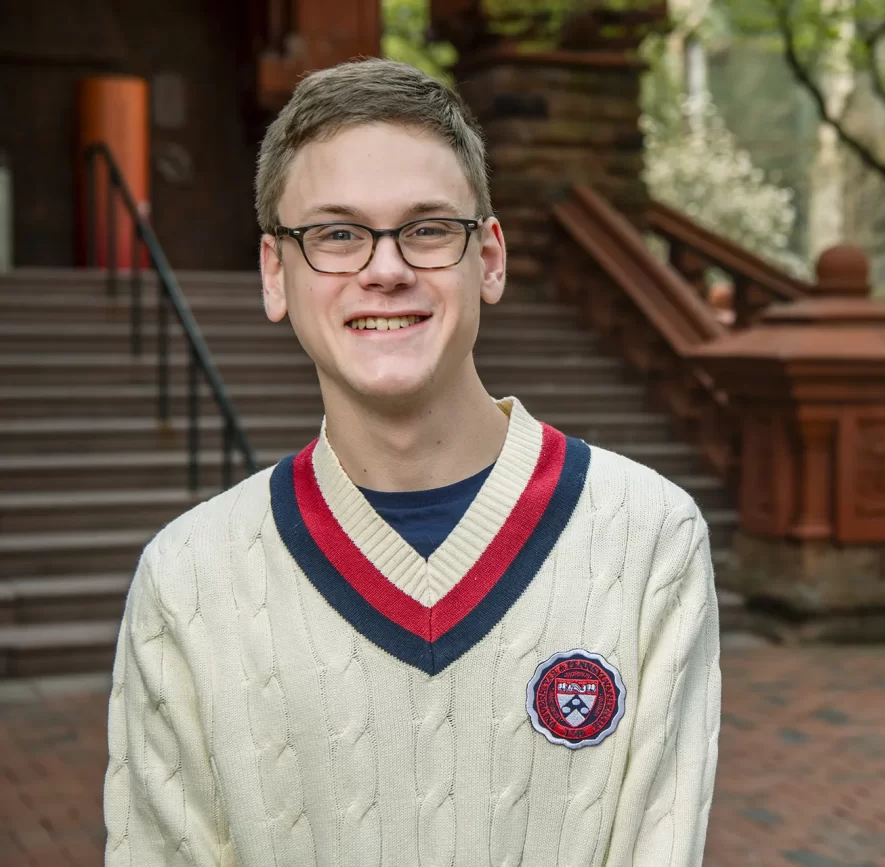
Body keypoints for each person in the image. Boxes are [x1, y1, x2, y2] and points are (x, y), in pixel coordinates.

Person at [103, 57, 722, 867]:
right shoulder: (185, 578)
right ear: (274, 272)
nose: (385, 268)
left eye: (428, 228)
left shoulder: (647, 537)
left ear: (488, 259)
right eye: (335, 234)